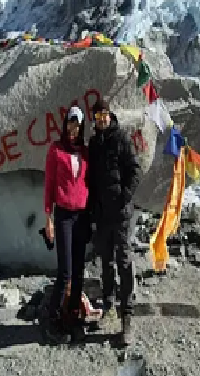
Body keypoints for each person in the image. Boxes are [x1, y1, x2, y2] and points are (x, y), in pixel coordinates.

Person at [87, 99, 140, 346]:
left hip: (120, 213)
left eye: (105, 114)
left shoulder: (121, 138)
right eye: (98, 116)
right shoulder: (94, 143)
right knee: (105, 262)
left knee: (123, 260)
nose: (102, 119)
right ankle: (109, 305)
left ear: (110, 115)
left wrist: (125, 197)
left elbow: (134, 170)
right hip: (102, 214)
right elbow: (90, 180)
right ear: (94, 119)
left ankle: (126, 314)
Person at [43, 105, 91, 343]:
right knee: (65, 272)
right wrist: (48, 218)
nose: (74, 128)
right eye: (72, 123)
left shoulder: (84, 151)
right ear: (66, 124)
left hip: (81, 216)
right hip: (63, 215)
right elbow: (49, 184)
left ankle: (71, 316)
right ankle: (52, 319)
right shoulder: (56, 150)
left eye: (78, 125)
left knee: (78, 270)